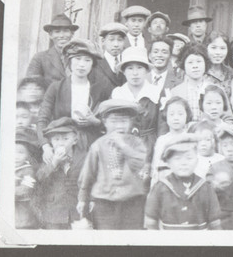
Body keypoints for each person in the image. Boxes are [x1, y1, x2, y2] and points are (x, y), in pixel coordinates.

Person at [77, 99, 147, 230]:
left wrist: (122, 145)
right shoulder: (98, 145)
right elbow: (87, 175)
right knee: (107, 240)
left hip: (132, 202)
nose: (119, 126)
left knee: (131, 240)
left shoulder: (136, 143)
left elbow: (139, 163)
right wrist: (82, 199)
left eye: (124, 121)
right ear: (105, 122)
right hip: (104, 203)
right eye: (114, 121)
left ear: (131, 122)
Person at [37, 39, 110, 163]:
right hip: (61, 143)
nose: (82, 64)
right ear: (69, 61)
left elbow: (108, 121)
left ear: (92, 64)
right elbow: (42, 119)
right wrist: (46, 146)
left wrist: (95, 121)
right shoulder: (56, 87)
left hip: (91, 144)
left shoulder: (100, 88)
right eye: (77, 59)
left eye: (87, 60)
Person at [145, 134, 222, 230]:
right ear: (168, 162)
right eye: (177, 158)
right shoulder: (160, 188)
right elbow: (151, 222)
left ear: (197, 161)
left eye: (189, 158)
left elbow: (215, 224)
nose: (184, 163)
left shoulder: (205, 188)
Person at [111, 46, 160, 175]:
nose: (135, 73)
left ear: (146, 70)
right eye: (130, 68)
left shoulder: (155, 93)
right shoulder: (118, 93)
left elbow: (161, 127)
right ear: (124, 71)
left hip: (150, 145)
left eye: (139, 68)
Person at [34, 117, 86, 229]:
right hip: (53, 212)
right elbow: (39, 179)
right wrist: (54, 163)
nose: (61, 143)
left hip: (76, 211)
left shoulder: (84, 158)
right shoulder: (48, 158)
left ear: (75, 140)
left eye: (65, 139)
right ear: (51, 142)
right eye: (56, 140)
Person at [170, 43, 220, 123]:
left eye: (199, 61)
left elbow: (228, 118)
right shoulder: (175, 92)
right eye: (190, 62)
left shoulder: (216, 89)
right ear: (183, 65)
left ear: (205, 63)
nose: (195, 66)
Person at [26, 14, 79, 88]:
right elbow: (32, 85)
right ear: (51, 35)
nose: (61, 35)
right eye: (57, 32)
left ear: (72, 34)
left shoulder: (81, 57)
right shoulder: (40, 58)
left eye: (66, 31)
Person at [150, 96, 193, 185]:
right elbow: (156, 167)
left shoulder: (190, 139)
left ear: (187, 115)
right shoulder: (162, 140)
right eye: (171, 114)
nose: (176, 118)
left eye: (180, 114)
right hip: (165, 183)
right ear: (166, 116)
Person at [89, 22, 128, 92]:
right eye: (111, 40)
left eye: (120, 40)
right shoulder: (94, 64)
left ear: (124, 42)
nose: (116, 44)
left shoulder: (127, 63)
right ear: (103, 41)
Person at [15, 128, 40, 229]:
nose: (15, 156)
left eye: (20, 152)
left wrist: (6, 193)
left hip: (23, 212)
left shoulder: (28, 171)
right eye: (12, 152)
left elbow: (26, 188)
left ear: (27, 155)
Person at [205, 31, 233, 97]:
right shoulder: (201, 72)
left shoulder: (231, 74)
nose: (218, 52)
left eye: (222, 48)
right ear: (206, 48)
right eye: (213, 48)